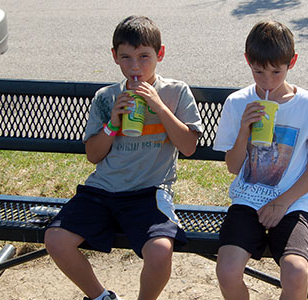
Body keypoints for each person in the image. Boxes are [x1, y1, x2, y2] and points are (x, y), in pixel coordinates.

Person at [44, 15, 203, 300]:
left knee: (160, 250)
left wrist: (158, 105)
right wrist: (112, 124)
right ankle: (102, 297)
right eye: (126, 57)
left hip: (150, 191)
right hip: (103, 189)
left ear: (160, 54)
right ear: (115, 57)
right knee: (55, 239)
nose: (135, 66)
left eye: (144, 57)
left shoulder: (175, 92)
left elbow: (188, 146)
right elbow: (93, 155)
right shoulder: (106, 97)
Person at [213, 20, 308, 300]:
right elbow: (233, 166)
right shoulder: (237, 102)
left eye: (275, 72)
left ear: (291, 62)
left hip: (293, 203)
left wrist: (282, 202)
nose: (267, 81)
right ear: (247, 61)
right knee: (227, 270)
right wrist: (244, 129)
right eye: (258, 71)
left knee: (295, 273)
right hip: (247, 200)